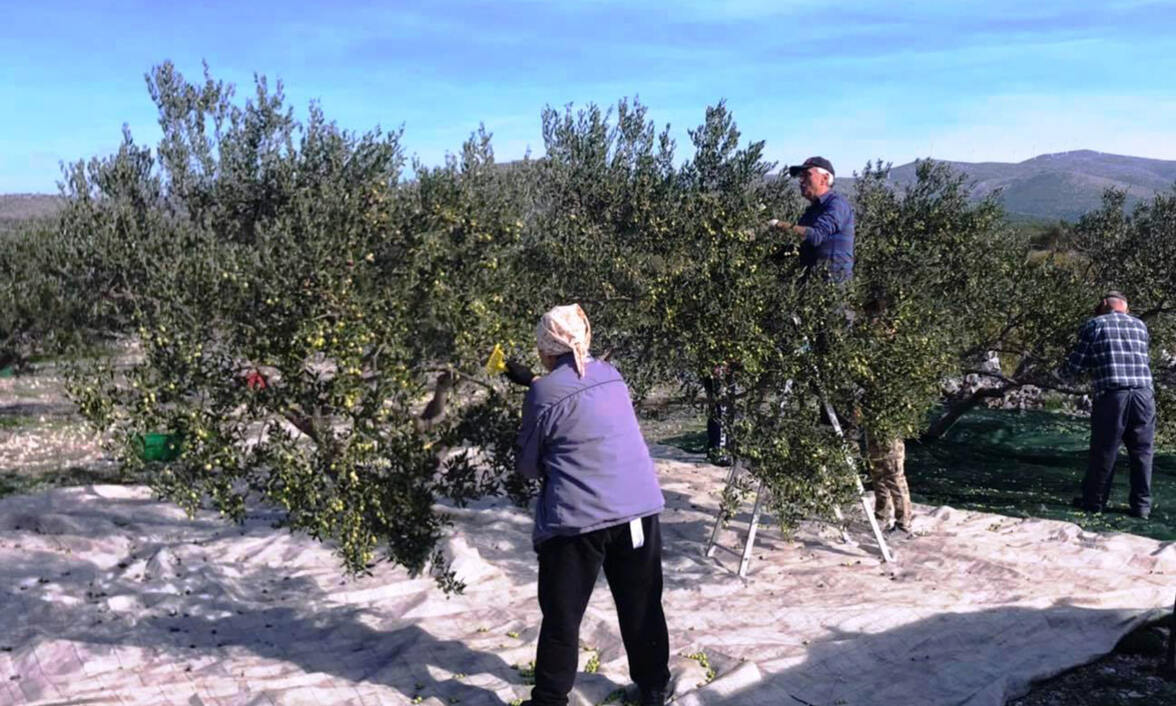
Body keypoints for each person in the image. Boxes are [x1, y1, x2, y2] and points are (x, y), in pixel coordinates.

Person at [505, 304, 670, 706]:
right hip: (638, 510)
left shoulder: (543, 393)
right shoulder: (612, 376)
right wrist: (538, 384)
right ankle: (653, 688)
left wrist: (535, 394)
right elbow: (579, 392)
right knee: (641, 603)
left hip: (579, 521)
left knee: (562, 615)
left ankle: (549, 700)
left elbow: (527, 466)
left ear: (545, 347)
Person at [1062, 291, 1156, 519]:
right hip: (1144, 395)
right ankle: (1141, 506)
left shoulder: (1095, 325)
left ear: (1104, 304)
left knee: (1105, 450)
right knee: (1142, 452)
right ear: (1125, 306)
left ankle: (1094, 502)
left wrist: (1061, 374)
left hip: (1114, 396)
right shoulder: (1140, 326)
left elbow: (1078, 362)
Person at [768, 156, 855, 283]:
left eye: (806, 175)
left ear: (824, 178)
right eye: (800, 176)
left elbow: (816, 236)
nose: (801, 181)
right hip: (811, 285)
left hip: (832, 287)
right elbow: (800, 244)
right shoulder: (812, 210)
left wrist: (777, 224)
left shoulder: (837, 205)